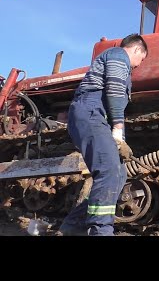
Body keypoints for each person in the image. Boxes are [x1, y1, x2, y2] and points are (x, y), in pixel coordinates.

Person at [58, 33, 148, 236]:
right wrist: (117, 129)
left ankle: (72, 226)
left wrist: (120, 140)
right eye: (140, 60)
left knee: (119, 173)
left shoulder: (119, 59)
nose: (138, 66)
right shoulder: (118, 56)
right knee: (108, 171)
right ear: (136, 50)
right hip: (90, 111)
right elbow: (115, 90)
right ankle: (100, 230)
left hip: (97, 115)